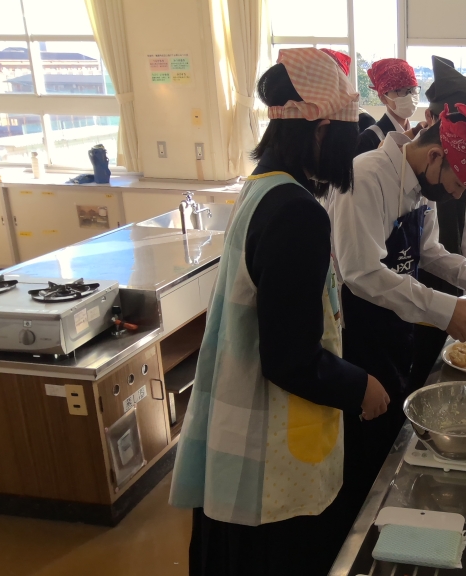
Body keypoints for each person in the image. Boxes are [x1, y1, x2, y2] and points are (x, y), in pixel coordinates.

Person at [169, 48, 391, 576]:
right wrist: (360, 386)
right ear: (319, 130)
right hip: (268, 455)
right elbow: (289, 356)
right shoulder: (297, 213)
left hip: (239, 432)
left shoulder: (261, 188)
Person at [329, 103, 466, 526]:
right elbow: (362, 273)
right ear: (435, 156)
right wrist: (445, 309)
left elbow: (429, 252)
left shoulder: (420, 186)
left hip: (394, 327)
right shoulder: (366, 177)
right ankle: (355, 536)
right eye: (458, 183)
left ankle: (385, 520)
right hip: (356, 335)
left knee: (389, 440)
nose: (457, 195)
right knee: (362, 448)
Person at [409, 55, 466, 390]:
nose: (456, 193)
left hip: (444, 276)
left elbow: (441, 242)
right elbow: (366, 273)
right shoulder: (406, 171)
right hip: (408, 294)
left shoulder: (455, 164)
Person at [355, 58, 420, 156]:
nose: (409, 96)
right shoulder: (369, 139)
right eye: (400, 90)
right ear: (383, 98)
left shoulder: (418, 134)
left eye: (413, 89)